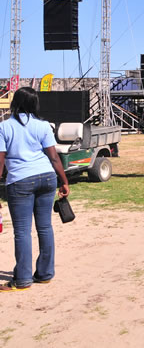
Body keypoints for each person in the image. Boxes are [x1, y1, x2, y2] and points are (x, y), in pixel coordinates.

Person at [0, 87, 70, 291]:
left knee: (22, 231)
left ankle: (22, 279)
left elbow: (0, 161)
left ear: (15, 103)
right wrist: (64, 181)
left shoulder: (4, 127)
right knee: (45, 227)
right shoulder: (43, 126)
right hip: (47, 177)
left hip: (20, 180)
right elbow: (54, 157)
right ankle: (45, 274)